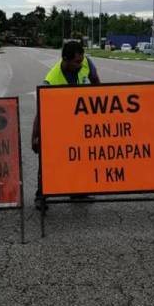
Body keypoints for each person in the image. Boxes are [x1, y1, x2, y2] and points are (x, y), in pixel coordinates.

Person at [31, 41, 101, 209]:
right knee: (50, 157)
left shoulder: (86, 63)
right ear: (65, 59)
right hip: (59, 122)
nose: (80, 64)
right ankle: (41, 195)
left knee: (81, 156)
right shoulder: (51, 80)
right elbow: (41, 111)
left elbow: (97, 83)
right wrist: (35, 136)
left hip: (81, 120)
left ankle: (78, 192)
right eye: (76, 62)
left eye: (81, 60)